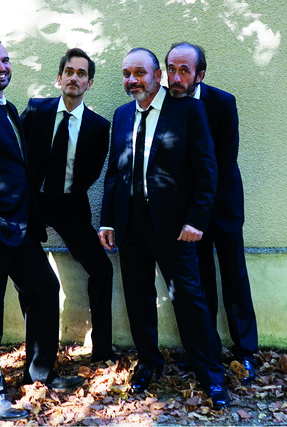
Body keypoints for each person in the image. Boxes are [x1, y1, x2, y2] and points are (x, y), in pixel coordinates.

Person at [0, 38, 85, 421]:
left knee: (44, 288)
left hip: (19, 228)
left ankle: (40, 373)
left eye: (5, 60)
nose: (2, 67)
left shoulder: (6, 108)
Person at [98, 47, 229, 409]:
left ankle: (211, 376)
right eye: (127, 74)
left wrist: (197, 220)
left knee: (189, 300)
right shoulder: (122, 115)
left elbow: (207, 170)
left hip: (175, 228)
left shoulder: (188, 110)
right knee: (138, 298)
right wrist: (107, 219)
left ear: (158, 76)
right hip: (130, 225)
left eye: (140, 73)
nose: (132, 80)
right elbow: (115, 172)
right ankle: (148, 363)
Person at [166, 42, 258, 383]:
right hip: (188, 214)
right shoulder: (166, 104)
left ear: (200, 74)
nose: (176, 77)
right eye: (171, 69)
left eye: (184, 70)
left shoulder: (222, 102)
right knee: (200, 282)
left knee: (234, 278)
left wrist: (202, 212)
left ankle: (245, 352)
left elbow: (223, 162)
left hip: (223, 207)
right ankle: (206, 352)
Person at [20, 48, 115, 363]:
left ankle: (102, 350)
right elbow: (15, 152)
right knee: (29, 275)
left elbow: (92, 172)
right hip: (32, 203)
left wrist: (68, 190)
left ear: (89, 83)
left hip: (69, 205)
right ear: (59, 78)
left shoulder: (98, 127)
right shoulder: (36, 110)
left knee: (101, 269)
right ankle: (36, 347)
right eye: (69, 72)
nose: (75, 78)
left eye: (82, 74)